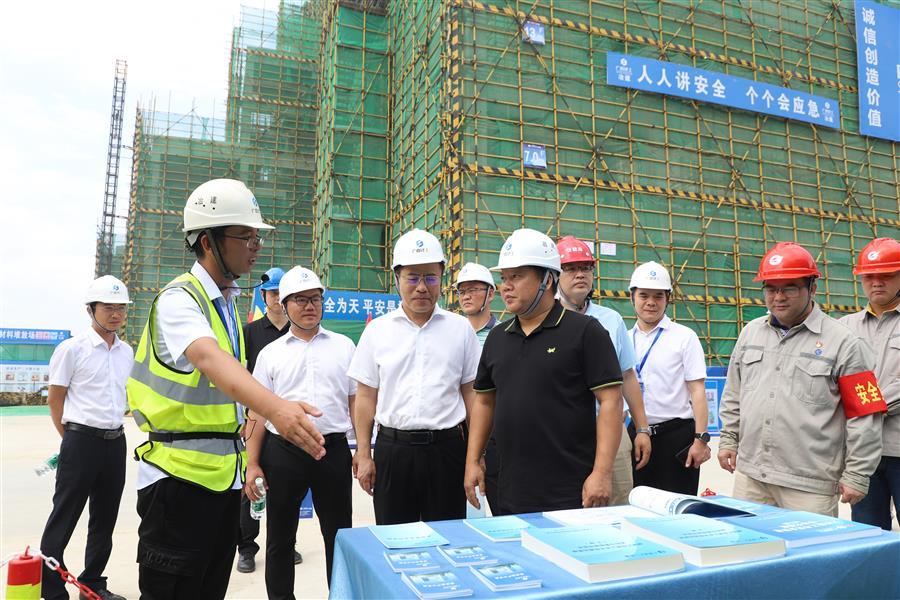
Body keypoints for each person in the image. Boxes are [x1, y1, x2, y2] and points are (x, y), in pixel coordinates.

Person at [127, 178, 326, 600]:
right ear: (207, 241)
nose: (256, 246)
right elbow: (209, 359)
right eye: (245, 236)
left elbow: (231, 388)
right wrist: (276, 409)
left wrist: (269, 411)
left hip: (221, 480)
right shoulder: (180, 299)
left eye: (257, 237)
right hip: (177, 479)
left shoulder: (226, 304)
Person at [718, 242, 886, 516]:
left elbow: (865, 415)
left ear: (812, 288)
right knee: (748, 542)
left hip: (809, 486)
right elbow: (734, 394)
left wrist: (857, 473)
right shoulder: (750, 334)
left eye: (790, 288)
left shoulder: (844, 343)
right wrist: (729, 439)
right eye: (771, 289)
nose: (779, 297)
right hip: (752, 477)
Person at [464, 228, 624, 515]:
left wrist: (601, 473)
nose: (506, 286)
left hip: (570, 491)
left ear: (547, 280)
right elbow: (485, 402)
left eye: (516, 276)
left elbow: (611, 400)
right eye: (504, 278)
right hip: (509, 488)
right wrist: (473, 460)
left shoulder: (586, 332)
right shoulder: (498, 338)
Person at [349, 228, 480, 525]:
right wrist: (364, 453)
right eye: (412, 278)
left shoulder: (460, 330)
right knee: (395, 538)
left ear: (442, 277)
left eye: (430, 278)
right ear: (397, 278)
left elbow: (472, 395)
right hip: (393, 452)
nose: (422, 287)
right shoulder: (377, 331)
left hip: (447, 451)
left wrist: (475, 457)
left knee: (448, 538)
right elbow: (366, 396)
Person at [245, 266, 356, 595]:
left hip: (332, 451)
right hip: (283, 453)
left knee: (339, 536)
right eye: (300, 300)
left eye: (315, 299)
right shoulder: (270, 354)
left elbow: (356, 402)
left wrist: (363, 450)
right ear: (284, 304)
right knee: (280, 538)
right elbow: (257, 411)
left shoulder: (344, 347)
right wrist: (252, 463)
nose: (310, 306)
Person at [39, 276, 133, 600]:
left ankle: (93, 583)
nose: (116, 314)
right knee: (64, 517)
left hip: (115, 442)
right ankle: (52, 590)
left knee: (105, 519)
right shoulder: (71, 349)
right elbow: (55, 400)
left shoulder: (126, 352)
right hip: (81, 441)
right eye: (108, 307)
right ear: (91, 309)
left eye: (121, 308)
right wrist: (70, 440)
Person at [556, 236, 652, 505]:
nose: (580, 274)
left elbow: (627, 376)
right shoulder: (546, 321)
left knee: (617, 503)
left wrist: (642, 428)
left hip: (612, 430)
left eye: (586, 268)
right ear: (554, 275)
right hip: (562, 433)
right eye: (571, 268)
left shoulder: (611, 320)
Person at [236, 267, 303, 574]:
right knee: (251, 484)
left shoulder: (298, 333)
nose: (277, 299)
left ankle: (286, 543)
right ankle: (247, 548)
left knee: (287, 490)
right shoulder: (249, 333)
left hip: (285, 425)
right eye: (272, 293)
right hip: (255, 421)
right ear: (263, 296)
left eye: (281, 293)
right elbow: (238, 378)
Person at [627, 261, 710, 495]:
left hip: (677, 436)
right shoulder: (624, 338)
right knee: (637, 503)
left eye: (658, 296)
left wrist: (700, 440)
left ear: (668, 299)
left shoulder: (685, 337)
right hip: (637, 434)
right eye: (643, 295)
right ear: (632, 297)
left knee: (678, 506)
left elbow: (697, 391)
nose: (651, 302)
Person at [839, 238, 899, 529]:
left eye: (886, 275)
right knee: (867, 532)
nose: (876, 282)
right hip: (860, 455)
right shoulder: (844, 328)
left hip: (897, 446)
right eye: (869, 276)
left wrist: (865, 407)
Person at [454, 262, 499, 512]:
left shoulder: (503, 335)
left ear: (491, 294)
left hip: (494, 432)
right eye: (462, 291)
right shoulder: (451, 335)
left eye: (473, 290)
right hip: (456, 432)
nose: (466, 296)